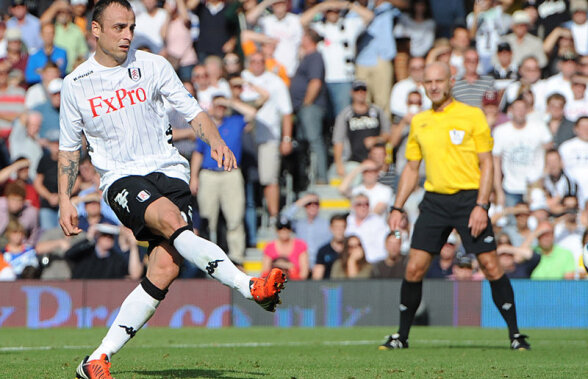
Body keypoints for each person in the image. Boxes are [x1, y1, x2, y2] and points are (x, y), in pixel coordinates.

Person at [57, 2, 286, 378]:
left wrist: (215, 141)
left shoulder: (153, 65)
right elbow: (69, 148)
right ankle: (249, 285)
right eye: (118, 28)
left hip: (169, 171)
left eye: (130, 27)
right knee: (169, 218)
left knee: (164, 268)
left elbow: (193, 110)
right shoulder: (76, 84)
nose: (127, 35)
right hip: (121, 177)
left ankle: (96, 359)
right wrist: (66, 199)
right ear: (95, 30)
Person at [381, 62, 529, 351]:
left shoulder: (471, 115)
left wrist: (481, 205)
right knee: (414, 268)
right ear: (422, 85)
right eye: (428, 82)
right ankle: (401, 336)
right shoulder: (420, 121)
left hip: (468, 199)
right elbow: (412, 168)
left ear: (451, 81)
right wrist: (397, 208)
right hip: (435, 201)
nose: (434, 86)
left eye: (439, 80)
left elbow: (486, 164)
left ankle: (515, 334)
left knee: (490, 265)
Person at [190, 94, 256, 265]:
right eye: (216, 106)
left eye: (222, 106)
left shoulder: (234, 121)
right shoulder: (206, 126)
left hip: (230, 173)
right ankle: (207, 258)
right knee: (207, 219)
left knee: (235, 217)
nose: (219, 109)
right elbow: (198, 152)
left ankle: (237, 257)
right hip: (209, 174)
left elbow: (252, 113)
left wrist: (229, 102)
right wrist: (194, 177)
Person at [289, 28, 328, 184]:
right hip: (302, 107)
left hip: (310, 107)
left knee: (314, 140)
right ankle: (306, 177)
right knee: (304, 142)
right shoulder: (306, 57)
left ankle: (321, 176)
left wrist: (306, 103)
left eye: (303, 36)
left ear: (309, 39)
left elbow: (315, 82)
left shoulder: (315, 57)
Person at [65, 223, 143, 280]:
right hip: (81, 293)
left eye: (111, 236)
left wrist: (133, 247)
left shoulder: (116, 259)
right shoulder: (86, 252)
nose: (108, 239)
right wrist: (89, 238)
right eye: (104, 235)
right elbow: (68, 255)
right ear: (98, 236)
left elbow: (134, 275)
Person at [281, 192, 331, 269]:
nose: (312, 206)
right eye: (309, 204)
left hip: (321, 265)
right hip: (302, 266)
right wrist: (301, 202)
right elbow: (283, 219)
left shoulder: (327, 224)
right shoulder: (299, 224)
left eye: (316, 203)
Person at [312, 214, 346, 280]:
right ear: (331, 228)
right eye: (336, 227)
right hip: (328, 287)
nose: (339, 230)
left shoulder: (351, 248)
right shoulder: (323, 251)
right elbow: (317, 277)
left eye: (342, 227)